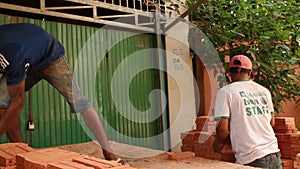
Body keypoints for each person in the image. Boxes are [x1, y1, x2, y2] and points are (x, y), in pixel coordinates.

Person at [0, 23, 123, 164]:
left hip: (51, 58)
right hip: (26, 58)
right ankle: (21, 154)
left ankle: (109, 151)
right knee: (2, 101)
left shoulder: (10, 53)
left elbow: (18, 101)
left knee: (79, 102)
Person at [213, 54, 282, 169]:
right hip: (274, 154)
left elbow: (223, 130)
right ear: (250, 73)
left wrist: (216, 147)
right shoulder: (264, 91)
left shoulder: (226, 92)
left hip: (251, 159)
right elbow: (271, 123)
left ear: (229, 73)